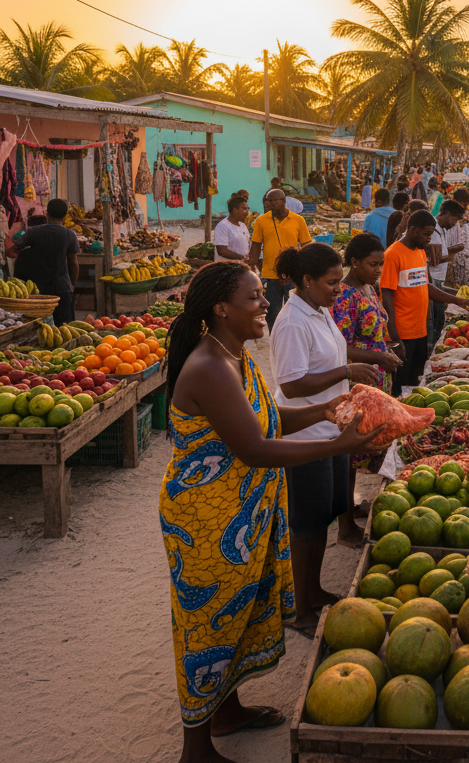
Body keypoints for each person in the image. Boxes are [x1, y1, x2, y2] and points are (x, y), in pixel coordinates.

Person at [160, 261, 385, 762]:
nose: (265, 303)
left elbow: (269, 415)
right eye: (254, 297)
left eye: (264, 294)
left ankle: (226, 710)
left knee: (238, 613)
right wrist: (334, 445)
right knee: (209, 624)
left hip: (241, 510)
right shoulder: (210, 366)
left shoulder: (233, 354)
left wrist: (326, 412)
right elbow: (256, 447)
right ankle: (195, 748)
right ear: (221, 309)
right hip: (208, 518)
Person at [269, 243, 381, 635]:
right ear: (307, 280)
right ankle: (301, 611)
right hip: (306, 436)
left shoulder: (319, 309)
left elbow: (331, 357)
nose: (338, 289)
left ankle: (314, 592)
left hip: (332, 429)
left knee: (322, 521)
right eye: (332, 283)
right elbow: (293, 383)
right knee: (305, 526)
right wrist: (346, 371)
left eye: (338, 281)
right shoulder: (292, 322)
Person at [332, 233, 403, 545]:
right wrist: (377, 356)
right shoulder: (343, 296)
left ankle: (351, 506)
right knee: (348, 451)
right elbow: (341, 346)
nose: (378, 269)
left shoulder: (368, 288)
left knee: (366, 449)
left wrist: (388, 348)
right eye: (373, 264)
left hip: (376, 377)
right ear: (354, 262)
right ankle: (345, 526)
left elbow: (375, 330)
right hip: (357, 381)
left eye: (381, 264)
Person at [381, 210, 469, 391]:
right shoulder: (393, 255)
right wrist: (395, 338)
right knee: (399, 386)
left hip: (420, 331)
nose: (429, 239)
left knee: (414, 385)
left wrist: (458, 301)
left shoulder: (419, 252)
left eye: (431, 234)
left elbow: (425, 286)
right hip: (402, 334)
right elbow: (387, 299)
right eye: (426, 234)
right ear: (413, 230)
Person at [247, 188, 312, 331]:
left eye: (273, 201)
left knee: (295, 310)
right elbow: (256, 246)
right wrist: (250, 266)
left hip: (293, 274)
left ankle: (295, 336)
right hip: (270, 274)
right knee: (272, 313)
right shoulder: (261, 221)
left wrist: (306, 269)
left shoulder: (298, 220)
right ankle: (275, 339)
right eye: (268, 201)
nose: (270, 204)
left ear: (283, 202)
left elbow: (306, 246)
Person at [11, 197, 78, 325]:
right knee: (65, 328)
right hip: (61, 289)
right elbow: (73, 264)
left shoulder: (33, 232)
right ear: (65, 215)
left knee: (36, 328)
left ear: (47, 213)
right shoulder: (70, 235)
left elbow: (15, 249)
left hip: (37, 289)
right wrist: (71, 286)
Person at [427, 201, 466, 345]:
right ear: (447, 214)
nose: (455, 223)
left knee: (440, 319)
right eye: (454, 219)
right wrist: (452, 253)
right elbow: (433, 260)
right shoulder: (433, 232)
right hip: (433, 281)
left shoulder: (442, 230)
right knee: (436, 320)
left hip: (439, 280)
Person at [447, 188, 469, 290]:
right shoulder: (450, 215)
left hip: (467, 257)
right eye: (462, 203)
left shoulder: (466, 214)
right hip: (456, 257)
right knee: (457, 289)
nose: (463, 206)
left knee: (467, 289)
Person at [213, 194, 251, 263]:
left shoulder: (243, 226)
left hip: (241, 267)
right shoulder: (223, 226)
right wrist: (242, 257)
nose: (247, 212)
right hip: (226, 268)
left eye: (248, 209)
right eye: (244, 208)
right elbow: (222, 250)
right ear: (234, 210)